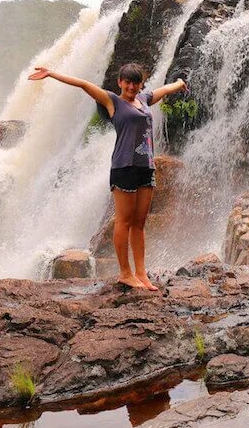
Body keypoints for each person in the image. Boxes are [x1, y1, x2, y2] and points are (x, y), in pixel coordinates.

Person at [28, 64, 187, 290]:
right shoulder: (113, 102)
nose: (131, 86)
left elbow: (165, 90)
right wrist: (52, 74)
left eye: (136, 82)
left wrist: (180, 84)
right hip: (124, 167)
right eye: (127, 82)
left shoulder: (144, 99)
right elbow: (83, 84)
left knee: (139, 224)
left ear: (141, 83)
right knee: (124, 220)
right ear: (120, 83)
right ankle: (125, 273)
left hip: (146, 167)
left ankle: (141, 273)